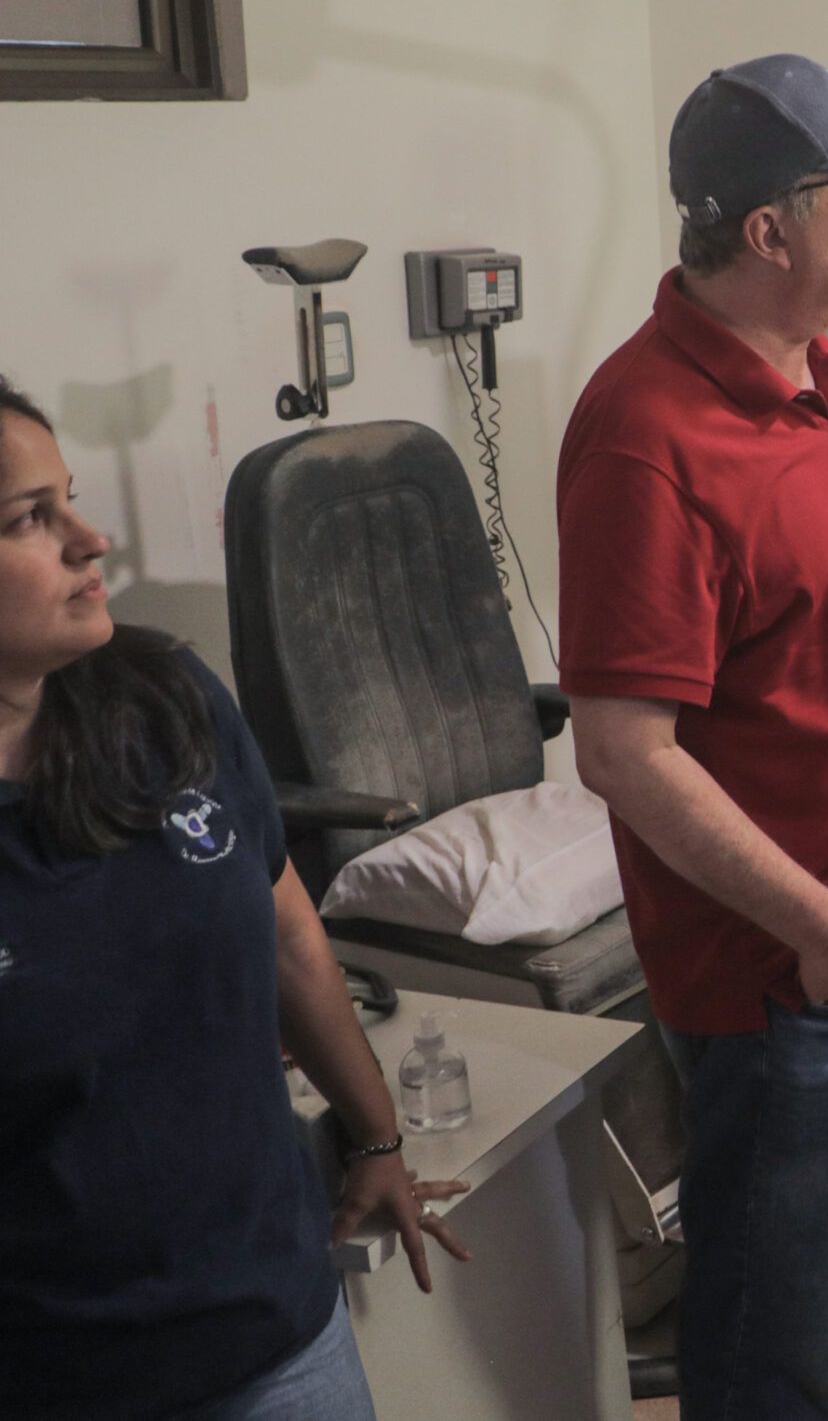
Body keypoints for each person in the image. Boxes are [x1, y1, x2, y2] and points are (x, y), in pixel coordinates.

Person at [558, 54, 828, 1421]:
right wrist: (823, 929)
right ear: (769, 229)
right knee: (782, 1339)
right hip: (799, 975)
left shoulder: (813, 375)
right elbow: (623, 751)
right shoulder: (646, 435)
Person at [0, 377, 466, 1421]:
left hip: (278, 1327)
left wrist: (376, 1137)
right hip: (63, 1375)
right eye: (30, 518)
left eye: (70, 498)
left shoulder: (164, 700)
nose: (90, 540)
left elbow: (290, 934)